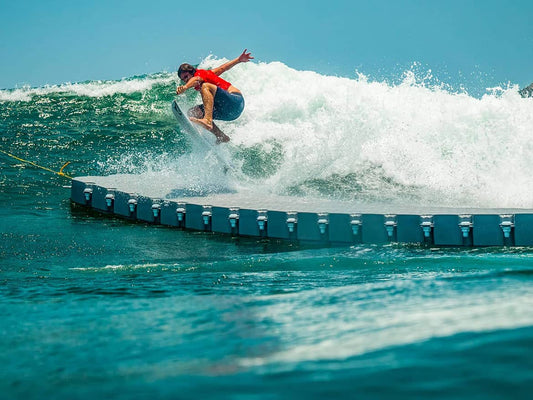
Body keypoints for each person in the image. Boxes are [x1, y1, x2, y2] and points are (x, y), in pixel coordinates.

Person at [176, 49, 253, 143]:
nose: (185, 80)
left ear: (192, 72)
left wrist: (185, 87)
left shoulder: (200, 74)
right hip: (228, 113)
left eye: (186, 77)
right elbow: (222, 68)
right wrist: (238, 59)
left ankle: (207, 120)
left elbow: (196, 79)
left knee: (205, 86)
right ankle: (221, 136)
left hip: (235, 101)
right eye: (183, 79)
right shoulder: (208, 74)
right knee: (193, 112)